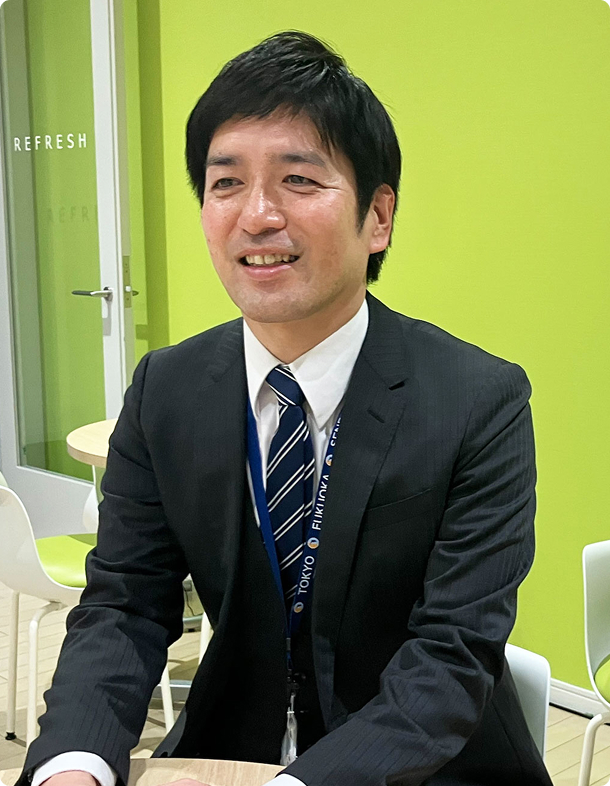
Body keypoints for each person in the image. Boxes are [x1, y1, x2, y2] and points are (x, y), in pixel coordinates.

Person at [20, 31, 552, 786]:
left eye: (299, 179)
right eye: (226, 183)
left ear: (378, 217)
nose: (257, 215)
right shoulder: (165, 388)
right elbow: (123, 608)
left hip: (426, 767)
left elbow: (452, 653)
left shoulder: (477, 400)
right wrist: (72, 765)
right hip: (230, 748)